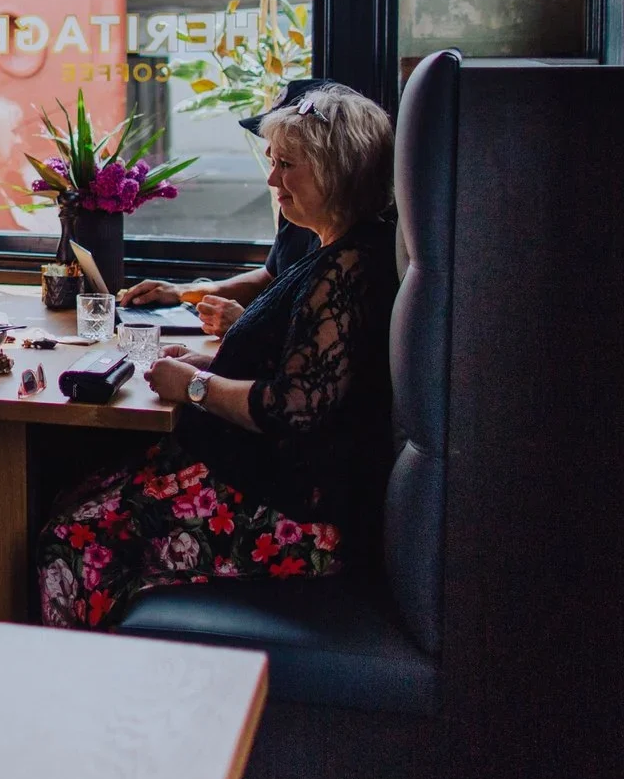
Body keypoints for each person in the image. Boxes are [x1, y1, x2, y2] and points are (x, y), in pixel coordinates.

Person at [36, 82, 398, 629]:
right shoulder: (328, 249)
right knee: (71, 488)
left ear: (335, 172)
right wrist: (206, 365)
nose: (273, 180)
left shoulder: (346, 270)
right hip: (270, 480)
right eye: (273, 162)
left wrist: (195, 387)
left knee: (71, 537)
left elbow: (292, 407)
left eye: (288, 166)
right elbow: (299, 369)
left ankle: (79, 698)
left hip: (299, 517)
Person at [118, 76, 326, 335]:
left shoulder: (349, 253)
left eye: (286, 161)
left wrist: (247, 327)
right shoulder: (297, 212)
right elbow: (272, 278)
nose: (272, 177)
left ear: (326, 164)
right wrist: (182, 292)